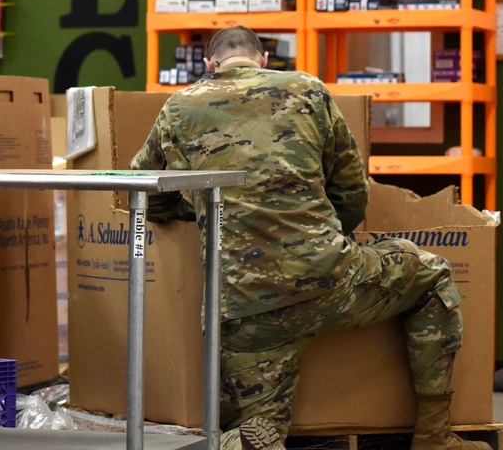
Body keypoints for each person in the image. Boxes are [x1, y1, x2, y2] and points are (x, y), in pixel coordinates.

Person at [129, 25, 488, 450]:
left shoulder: (180, 106)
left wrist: (201, 208)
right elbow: (353, 191)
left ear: (210, 66)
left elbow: (142, 192)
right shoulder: (306, 89)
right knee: (433, 276)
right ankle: (434, 437)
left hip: (243, 311)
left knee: (261, 429)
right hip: (328, 280)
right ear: (264, 61)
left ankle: (239, 444)